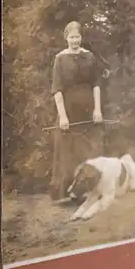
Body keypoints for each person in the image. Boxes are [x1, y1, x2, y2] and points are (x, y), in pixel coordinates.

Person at [49, 21, 105, 200]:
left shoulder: (89, 56)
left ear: (81, 37)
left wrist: (97, 109)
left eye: (78, 37)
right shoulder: (60, 59)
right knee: (69, 150)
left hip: (89, 110)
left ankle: (91, 190)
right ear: (66, 38)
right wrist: (63, 117)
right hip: (69, 112)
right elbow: (57, 90)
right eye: (71, 37)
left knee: (91, 148)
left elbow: (96, 84)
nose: (75, 40)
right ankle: (69, 193)